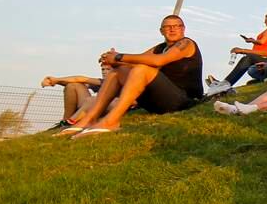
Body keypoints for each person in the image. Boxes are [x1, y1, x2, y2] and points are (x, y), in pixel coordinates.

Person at [66, 15, 203, 136]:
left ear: (183, 29)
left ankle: (112, 120)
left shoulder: (186, 43)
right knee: (118, 72)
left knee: (142, 69)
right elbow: (139, 60)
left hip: (183, 101)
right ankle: (90, 119)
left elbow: (158, 60)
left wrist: (119, 57)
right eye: (167, 27)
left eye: (176, 26)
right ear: (161, 31)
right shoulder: (160, 48)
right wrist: (113, 60)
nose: (172, 29)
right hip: (159, 103)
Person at [206, 14, 267, 95]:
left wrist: (243, 50)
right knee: (251, 68)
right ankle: (224, 85)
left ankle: (224, 85)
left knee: (248, 59)